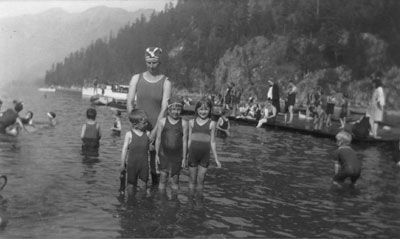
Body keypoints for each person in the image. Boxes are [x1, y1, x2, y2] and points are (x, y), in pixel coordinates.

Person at [127, 47, 171, 186]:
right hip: (138, 126)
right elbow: (129, 102)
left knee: (154, 162)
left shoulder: (166, 82)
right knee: (136, 159)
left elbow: (164, 108)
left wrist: (154, 131)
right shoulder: (136, 78)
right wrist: (134, 123)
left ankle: (154, 196)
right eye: (149, 63)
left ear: (160, 62)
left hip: (157, 127)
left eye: (154, 63)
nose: (152, 66)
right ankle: (136, 196)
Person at [188, 98, 221, 198]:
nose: (203, 112)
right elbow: (189, 140)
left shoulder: (212, 123)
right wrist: (185, 155)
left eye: (206, 109)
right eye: (201, 109)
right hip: (192, 155)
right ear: (197, 110)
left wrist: (216, 159)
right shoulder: (191, 122)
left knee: (201, 179)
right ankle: (190, 199)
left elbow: (213, 141)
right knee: (192, 179)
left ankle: (199, 199)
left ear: (210, 110)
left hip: (205, 156)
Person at [155, 97, 188, 197]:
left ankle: (174, 200)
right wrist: (156, 154)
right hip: (163, 154)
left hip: (177, 156)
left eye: (178, 109)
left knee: (175, 179)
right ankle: (161, 200)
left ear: (181, 110)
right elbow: (158, 139)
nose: (175, 112)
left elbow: (184, 141)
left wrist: (184, 157)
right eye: (173, 109)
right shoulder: (162, 121)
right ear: (168, 110)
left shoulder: (184, 123)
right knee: (163, 177)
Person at [120, 109, 151, 196]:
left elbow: (151, 148)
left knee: (144, 184)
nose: (147, 124)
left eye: (146, 122)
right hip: (132, 165)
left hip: (144, 165)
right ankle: (131, 203)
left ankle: (141, 201)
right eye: (144, 123)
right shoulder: (129, 134)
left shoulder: (147, 134)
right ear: (135, 125)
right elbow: (124, 150)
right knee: (131, 185)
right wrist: (122, 164)